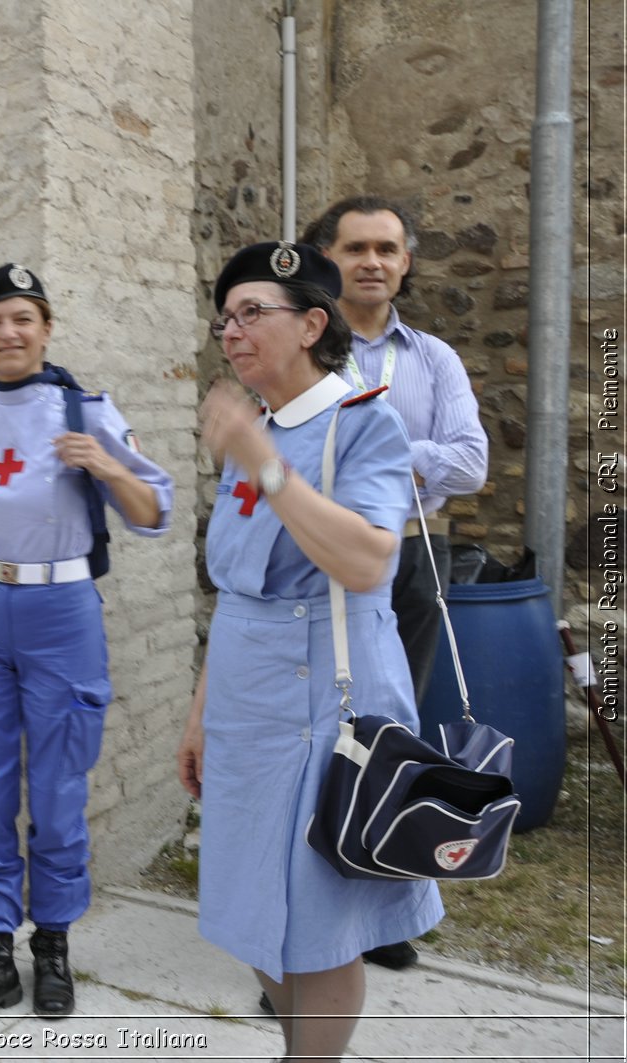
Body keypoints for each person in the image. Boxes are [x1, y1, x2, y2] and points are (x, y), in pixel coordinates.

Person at [177, 241, 444, 1061]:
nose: (232, 332)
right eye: (225, 317)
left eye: (253, 312)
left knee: (322, 921)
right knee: (251, 904)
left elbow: (368, 560)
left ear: (313, 324)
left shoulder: (365, 422)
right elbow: (237, 591)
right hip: (248, 700)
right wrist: (200, 713)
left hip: (331, 699)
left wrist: (267, 470)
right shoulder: (256, 427)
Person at [0, 265, 173, 1018]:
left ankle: (54, 945)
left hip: (61, 606)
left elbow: (153, 509)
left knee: (60, 787)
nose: (8, 333)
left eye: (22, 319)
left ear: (46, 327)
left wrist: (104, 465)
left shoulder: (85, 411)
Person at [302, 197, 488, 973]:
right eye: (356, 248)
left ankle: (384, 905)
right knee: (317, 723)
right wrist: (411, 452)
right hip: (314, 556)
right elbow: (294, 451)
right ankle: (309, 897)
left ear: (406, 260)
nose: (373, 261)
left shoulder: (433, 358)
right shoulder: (306, 349)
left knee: (393, 727)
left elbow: (471, 463)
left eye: (387, 248)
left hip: (413, 552)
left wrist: (377, 442)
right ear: (328, 259)